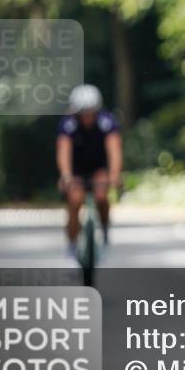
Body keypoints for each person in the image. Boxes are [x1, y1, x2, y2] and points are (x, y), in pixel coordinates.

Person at [56, 84, 123, 256]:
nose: (87, 117)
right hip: (76, 169)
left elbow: (114, 149)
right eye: (83, 113)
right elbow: (64, 151)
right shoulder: (68, 123)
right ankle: (71, 245)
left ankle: (105, 226)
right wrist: (65, 175)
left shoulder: (107, 122)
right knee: (75, 200)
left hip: (98, 167)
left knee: (101, 195)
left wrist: (115, 175)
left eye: (91, 112)